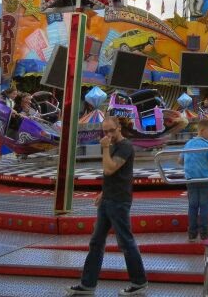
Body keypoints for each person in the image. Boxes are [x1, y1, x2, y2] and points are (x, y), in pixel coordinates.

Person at [68, 116, 147, 296]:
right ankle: (87, 284)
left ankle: (139, 282)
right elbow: (114, 175)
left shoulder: (125, 146)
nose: (109, 134)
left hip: (119, 200)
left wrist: (104, 147)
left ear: (119, 128)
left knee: (125, 242)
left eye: (112, 130)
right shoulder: (112, 145)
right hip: (109, 198)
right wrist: (103, 193)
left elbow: (109, 169)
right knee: (96, 242)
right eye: (105, 131)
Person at [179, 118, 208, 242]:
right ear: (202, 130)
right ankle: (205, 233)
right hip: (205, 178)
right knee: (204, 206)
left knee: (193, 206)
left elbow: (180, 161)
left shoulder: (188, 144)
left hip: (191, 179)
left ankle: (192, 233)